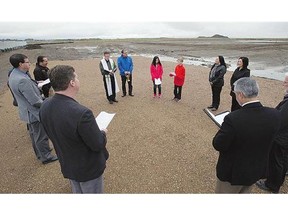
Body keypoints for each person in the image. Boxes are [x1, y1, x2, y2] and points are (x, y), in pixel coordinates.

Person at [39, 65, 109, 193]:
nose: (78, 79)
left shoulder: (45, 105)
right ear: (71, 82)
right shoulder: (82, 113)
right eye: (76, 77)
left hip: (68, 163)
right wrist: (102, 133)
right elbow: (97, 143)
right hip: (87, 168)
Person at [213, 77, 281, 193]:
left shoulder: (233, 119)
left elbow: (218, 144)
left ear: (240, 95)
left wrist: (223, 130)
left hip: (232, 174)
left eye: (235, 93)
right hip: (255, 171)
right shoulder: (274, 114)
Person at [8, 54, 57, 164]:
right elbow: (35, 101)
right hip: (33, 113)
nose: (29, 63)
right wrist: (48, 103)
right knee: (41, 135)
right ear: (20, 64)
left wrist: (35, 83)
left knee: (34, 134)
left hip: (26, 111)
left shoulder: (14, 74)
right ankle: (46, 156)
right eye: (27, 62)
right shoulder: (22, 80)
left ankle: (41, 153)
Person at [256, 73, 288, 193]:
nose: (283, 84)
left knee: (277, 160)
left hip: (281, 138)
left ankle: (272, 184)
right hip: (285, 137)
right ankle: (278, 179)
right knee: (283, 159)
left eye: (285, 82)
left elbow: (281, 119)